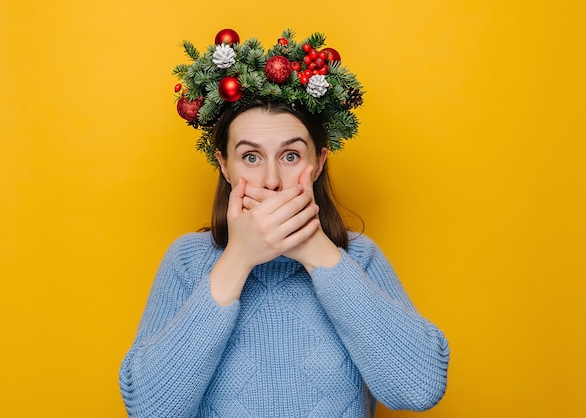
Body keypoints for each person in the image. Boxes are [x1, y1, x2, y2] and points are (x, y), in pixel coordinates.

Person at [119, 29, 449, 417]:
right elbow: (150, 409)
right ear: (224, 165)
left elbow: (419, 388)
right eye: (251, 158)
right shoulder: (188, 262)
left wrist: (315, 250)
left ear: (319, 164)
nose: (272, 179)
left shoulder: (359, 257)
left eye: (291, 156)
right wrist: (238, 259)